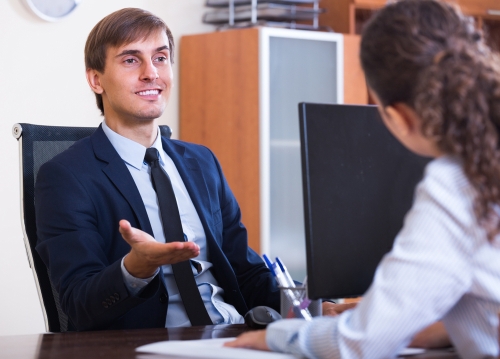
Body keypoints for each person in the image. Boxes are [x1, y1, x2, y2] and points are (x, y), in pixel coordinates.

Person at [225, 0, 500, 357]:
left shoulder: (456, 186)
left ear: (398, 118)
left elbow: (360, 344)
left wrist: (276, 336)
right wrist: (441, 327)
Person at [34, 7, 288, 331]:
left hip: (233, 335)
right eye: (131, 59)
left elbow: (246, 271)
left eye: (161, 58)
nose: (151, 73)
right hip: (152, 347)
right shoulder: (66, 177)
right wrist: (135, 269)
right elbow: (78, 305)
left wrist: (312, 307)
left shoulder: (202, 162)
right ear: (96, 79)